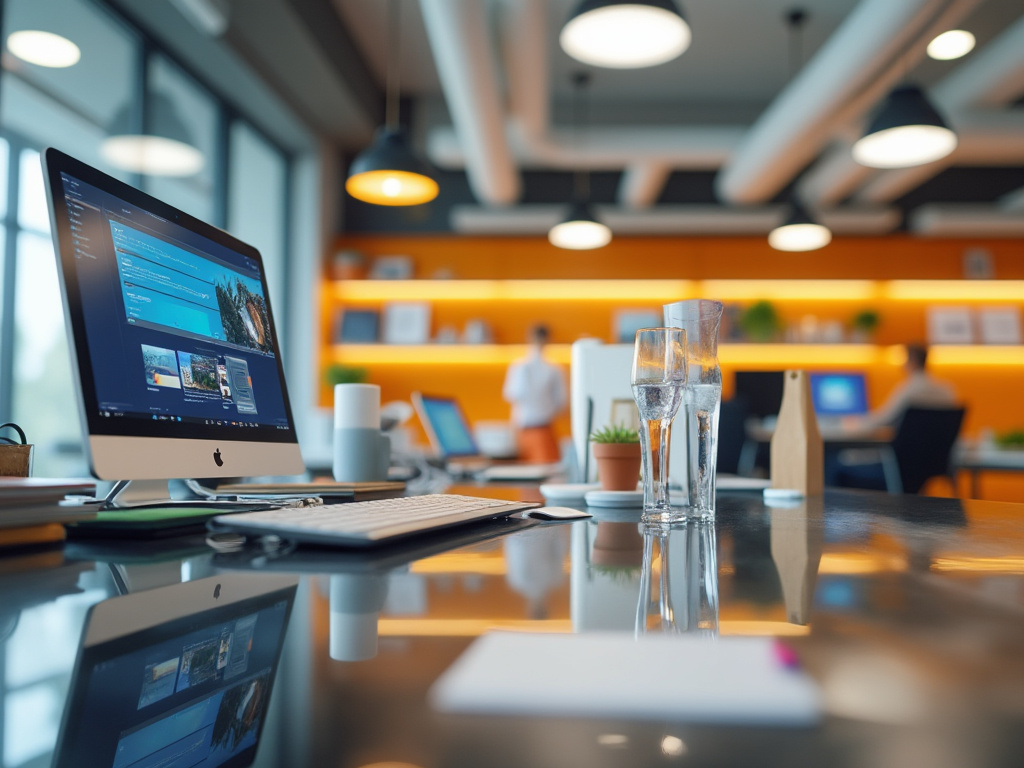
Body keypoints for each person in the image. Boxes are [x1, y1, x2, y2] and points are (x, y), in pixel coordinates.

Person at [502, 324, 566, 463]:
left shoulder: (520, 367)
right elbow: (561, 403)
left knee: (537, 478)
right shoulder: (552, 369)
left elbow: (511, 395)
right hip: (534, 430)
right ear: (548, 339)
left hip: (534, 430)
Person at [857, 342, 957, 429]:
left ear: (913, 362)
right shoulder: (947, 389)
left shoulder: (910, 388)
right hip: (939, 450)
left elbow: (885, 418)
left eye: (904, 360)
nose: (902, 365)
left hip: (905, 448)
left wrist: (857, 423)